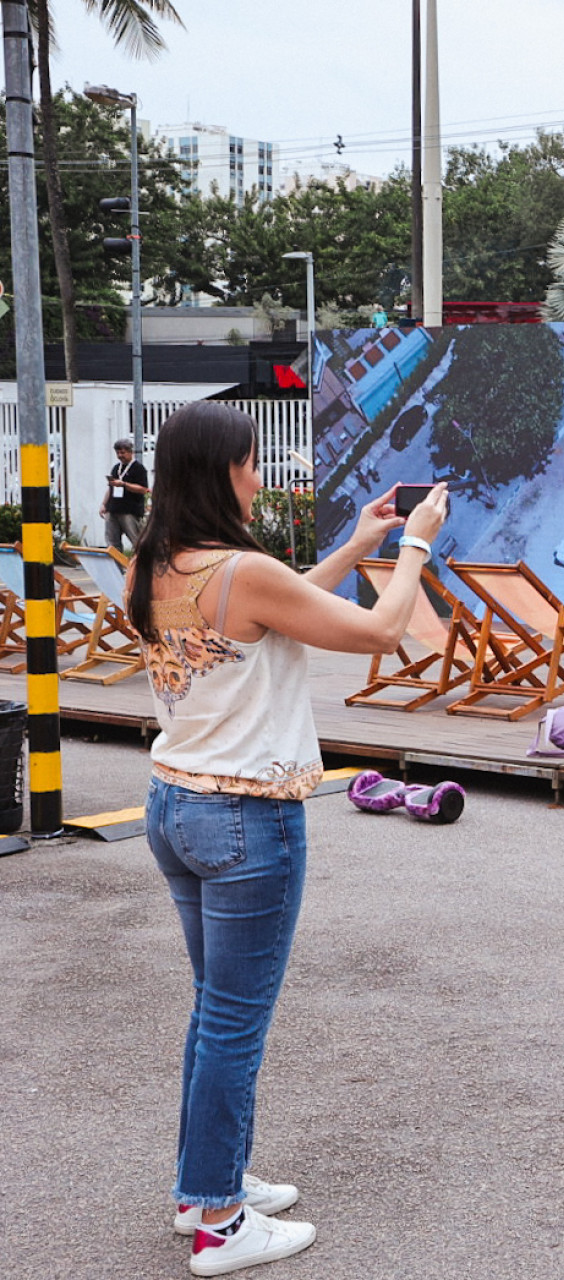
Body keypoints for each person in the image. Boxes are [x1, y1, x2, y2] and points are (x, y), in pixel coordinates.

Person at [129, 402, 448, 1276]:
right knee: (234, 1022)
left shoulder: (158, 561)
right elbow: (379, 633)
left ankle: (206, 1185)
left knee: (214, 1010)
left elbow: (280, 602)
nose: (258, 476)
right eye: (248, 462)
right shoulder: (244, 569)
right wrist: (414, 544)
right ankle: (223, 1225)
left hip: (174, 805)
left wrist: (354, 542)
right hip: (245, 817)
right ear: (218, 473)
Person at [102, 436, 151, 554]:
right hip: (113, 509)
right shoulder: (116, 468)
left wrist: (124, 484)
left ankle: (141, 566)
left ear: (131, 452)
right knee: (112, 542)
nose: (120, 455)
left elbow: (143, 489)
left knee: (136, 540)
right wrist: (104, 504)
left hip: (129, 511)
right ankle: (116, 569)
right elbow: (111, 488)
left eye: (122, 452)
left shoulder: (138, 469)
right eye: (118, 453)